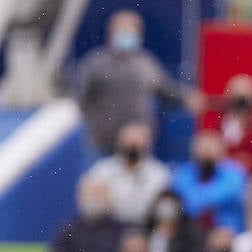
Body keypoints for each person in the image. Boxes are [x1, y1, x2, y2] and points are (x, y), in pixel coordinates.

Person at [73, 9, 199, 154]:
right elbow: (80, 99)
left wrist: (186, 98)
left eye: (131, 30)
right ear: (110, 33)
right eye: (122, 30)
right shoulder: (95, 64)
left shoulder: (146, 63)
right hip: (102, 145)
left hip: (138, 145)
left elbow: (165, 90)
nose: (127, 34)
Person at [81, 122, 171, 228]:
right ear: (120, 144)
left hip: (146, 230)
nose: (132, 151)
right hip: (110, 230)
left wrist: (110, 203)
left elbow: (158, 211)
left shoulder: (159, 173)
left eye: (137, 146)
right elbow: (90, 209)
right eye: (128, 145)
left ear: (147, 146)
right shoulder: (102, 170)